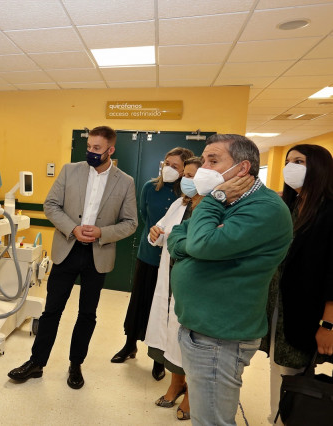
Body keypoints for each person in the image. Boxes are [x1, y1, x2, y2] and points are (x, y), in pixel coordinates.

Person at [166, 133, 292, 426]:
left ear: (242, 168)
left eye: (213, 160)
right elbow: (179, 236)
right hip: (204, 329)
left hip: (221, 336)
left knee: (213, 421)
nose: (203, 168)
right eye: (205, 159)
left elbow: (201, 244)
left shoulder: (264, 208)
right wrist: (193, 240)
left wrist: (215, 199)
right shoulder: (230, 202)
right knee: (205, 415)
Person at [7, 125, 138, 389]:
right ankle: (36, 363)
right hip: (66, 249)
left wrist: (102, 231)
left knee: (87, 314)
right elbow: (50, 205)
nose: (91, 152)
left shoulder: (125, 182)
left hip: (98, 254)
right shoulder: (71, 170)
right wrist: (72, 228)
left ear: (110, 150)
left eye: (97, 148)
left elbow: (131, 223)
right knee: (52, 310)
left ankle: (75, 364)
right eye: (89, 147)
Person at [259, 144, 333, 424]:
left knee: (298, 373)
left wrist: (328, 324)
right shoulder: (287, 206)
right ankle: (276, 416)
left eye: (299, 161)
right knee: (279, 368)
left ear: (318, 167)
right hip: (278, 306)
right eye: (288, 161)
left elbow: (331, 274)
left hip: (308, 310)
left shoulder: (328, 212)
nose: (290, 167)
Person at [111, 147, 193, 382]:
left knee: (164, 310)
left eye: (175, 166)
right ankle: (129, 346)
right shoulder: (150, 187)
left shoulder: (187, 195)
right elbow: (146, 218)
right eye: (166, 163)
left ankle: (159, 360)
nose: (169, 168)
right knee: (139, 302)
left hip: (172, 262)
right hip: (148, 255)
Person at [143, 156, 203, 421]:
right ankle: (176, 383)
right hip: (169, 276)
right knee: (171, 331)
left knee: (190, 337)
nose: (187, 181)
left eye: (193, 176)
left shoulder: (214, 207)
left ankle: (192, 392)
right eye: (185, 176)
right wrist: (155, 233)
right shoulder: (180, 203)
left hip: (194, 282)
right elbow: (160, 230)